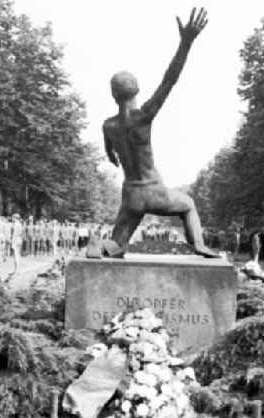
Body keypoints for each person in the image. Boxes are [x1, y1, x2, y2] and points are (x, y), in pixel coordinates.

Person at [95, 8, 218, 259]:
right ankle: (199, 245)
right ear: (136, 89)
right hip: (153, 190)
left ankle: (100, 246)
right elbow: (169, 80)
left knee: (117, 246)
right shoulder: (143, 118)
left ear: (113, 94)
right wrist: (186, 43)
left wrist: (112, 156)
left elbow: (109, 151)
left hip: (130, 194)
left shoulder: (108, 125)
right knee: (189, 205)